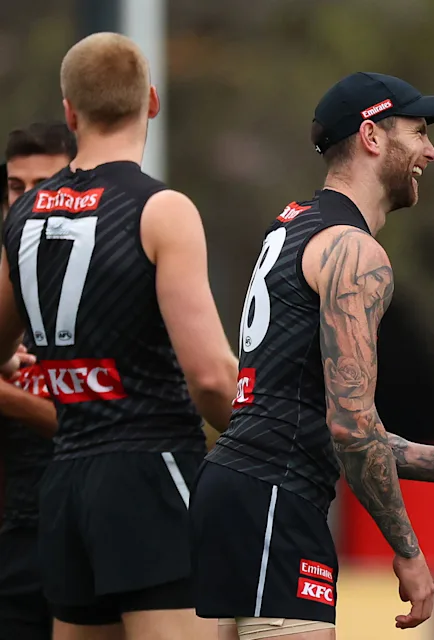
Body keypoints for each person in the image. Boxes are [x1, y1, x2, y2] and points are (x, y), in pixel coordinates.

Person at [190, 71, 434, 640]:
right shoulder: (355, 252)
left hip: (242, 490)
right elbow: (353, 429)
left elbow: (329, 423)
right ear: (372, 136)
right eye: (419, 132)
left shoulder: (296, 224)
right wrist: (408, 550)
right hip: (274, 498)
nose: (431, 152)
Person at [0, 32, 239, 639]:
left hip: (66, 484)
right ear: (151, 101)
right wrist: (268, 439)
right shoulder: (162, 209)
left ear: (69, 112)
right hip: (150, 470)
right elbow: (212, 378)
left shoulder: (22, 215)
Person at [0, 121, 75, 640]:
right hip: (16, 534)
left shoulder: (109, 277)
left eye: (42, 186)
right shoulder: (8, 282)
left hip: (91, 522)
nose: (26, 202)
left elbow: (98, 423)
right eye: (15, 187)